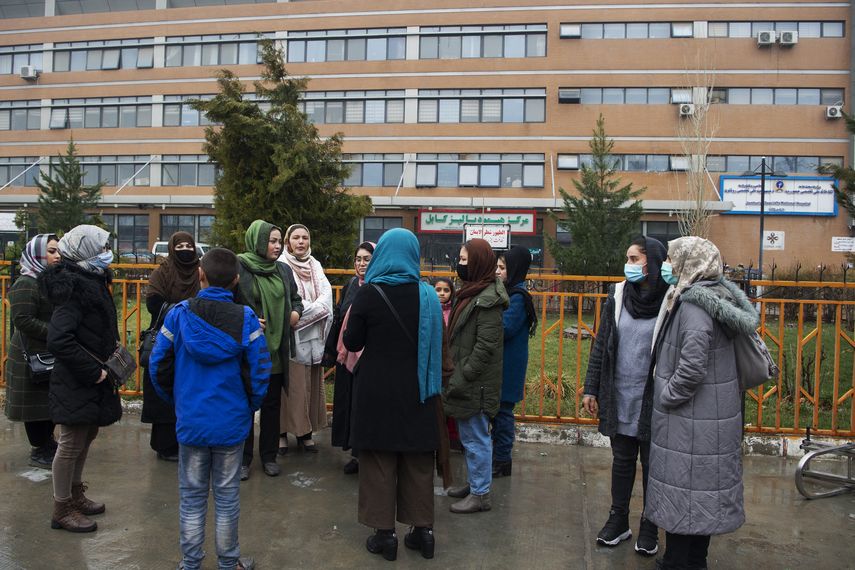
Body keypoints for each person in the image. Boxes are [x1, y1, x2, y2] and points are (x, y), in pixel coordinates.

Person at [149, 247, 270, 570]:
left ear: (200, 274)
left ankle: (190, 563)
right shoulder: (246, 319)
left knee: (191, 497)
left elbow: (158, 365)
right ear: (235, 280)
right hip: (231, 422)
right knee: (227, 497)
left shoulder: (178, 314)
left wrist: (179, 402)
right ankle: (229, 562)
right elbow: (260, 372)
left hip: (192, 421)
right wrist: (247, 407)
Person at [644, 236, 754, 570]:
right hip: (710, 416)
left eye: (672, 259)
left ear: (688, 263)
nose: (667, 265)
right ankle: (694, 561)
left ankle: (677, 562)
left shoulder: (693, 306)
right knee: (701, 494)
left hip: (690, 421)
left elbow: (692, 367)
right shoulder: (715, 297)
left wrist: (667, 395)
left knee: (683, 493)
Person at [342, 228, 444, 561]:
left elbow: (353, 341)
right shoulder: (428, 295)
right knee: (418, 460)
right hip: (420, 390)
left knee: (378, 460)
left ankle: (385, 536)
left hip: (377, 390)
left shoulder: (368, 294)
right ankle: (423, 533)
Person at [582, 236, 669, 555]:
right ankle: (618, 519)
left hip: (653, 398)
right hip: (619, 394)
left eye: (634, 259)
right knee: (622, 460)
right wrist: (591, 387)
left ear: (652, 263)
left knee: (652, 464)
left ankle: (650, 525)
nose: (628, 265)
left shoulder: (671, 300)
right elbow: (601, 344)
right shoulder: (618, 295)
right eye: (628, 259)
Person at [40, 225, 122, 533]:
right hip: (78, 380)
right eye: (101, 248)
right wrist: (93, 370)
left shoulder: (92, 280)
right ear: (85, 252)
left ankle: (75, 494)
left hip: (93, 379)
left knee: (87, 435)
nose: (107, 254)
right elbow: (59, 339)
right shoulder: (74, 288)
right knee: (71, 442)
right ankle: (62, 508)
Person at [234, 220, 302, 480]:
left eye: (278, 241)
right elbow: (228, 301)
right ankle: (243, 459)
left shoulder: (283, 269)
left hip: (276, 351)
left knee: (272, 406)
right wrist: (246, 317)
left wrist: (296, 312)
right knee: (245, 406)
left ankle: (269, 457)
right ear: (258, 242)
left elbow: (295, 299)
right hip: (248, 349)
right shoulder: (239, 266)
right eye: (271, 241)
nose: (277, 246)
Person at [444, 238, 508, 514]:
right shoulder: (472, 292)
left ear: (478, 263)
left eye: (464, 260)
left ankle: (481, 494)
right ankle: (475, 484)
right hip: (467, 379)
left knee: (476, 438)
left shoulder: (488, 300)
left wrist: (463, 375)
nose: (459, 265)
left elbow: (485, 347)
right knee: (469, 437)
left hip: (475, 383)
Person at [142, 231, 200, 462]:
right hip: (166, 339)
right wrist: (183, 312)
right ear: (171, 248)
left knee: (188, 392)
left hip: (193, 339)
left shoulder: (200, 271)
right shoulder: (163, 271)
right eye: (180, 246)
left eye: (189, 246)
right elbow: (153, 302)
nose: (185, 250)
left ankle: (187, 440)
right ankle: (164, 445)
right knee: (163, 389)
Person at [5, 234, 61, 469]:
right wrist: (55, 331)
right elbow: (23, 320)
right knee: (34, 404)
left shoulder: (47, 280)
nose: (57, 256)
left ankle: (48, 442)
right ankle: (39, 448)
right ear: (37, 254)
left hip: (48, 351)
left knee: (48, 402)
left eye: (58, 251)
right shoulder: (26, 283)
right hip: (30, 354)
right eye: (51, 251)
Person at [278, 224, 332, 454]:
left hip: (313, 340)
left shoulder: (315, 265)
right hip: (291, 339)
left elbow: (326, 299)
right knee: (289, 387)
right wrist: (312, 310)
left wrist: (305, 312)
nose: (301, 242)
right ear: (288, 242)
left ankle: (305, 434)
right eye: (296, 238)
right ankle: (281, 433)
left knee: (310, 386)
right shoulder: (281, 265)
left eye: (305, 237)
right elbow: (288, 302)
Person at [324, 241, 374, 475]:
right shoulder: (351, 285)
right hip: (347, 355)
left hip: (369, 358)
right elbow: (339, 315)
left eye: (367, 259)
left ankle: (367, 455)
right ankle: (355, 453)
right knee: (350, 405)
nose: (361, 264)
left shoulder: (378, 286)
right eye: (358, 259)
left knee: (365, 407)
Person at [492, 245, 537, 478]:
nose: (497, 271)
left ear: (516, 268)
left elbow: (505, 327)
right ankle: (498, 457)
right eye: (497, 267)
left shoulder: (518, 297)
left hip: (508, 365)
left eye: (502, 267)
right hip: (502, 363)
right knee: (497, 413)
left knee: (503, 413)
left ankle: (502, 461)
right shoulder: (509, 292)